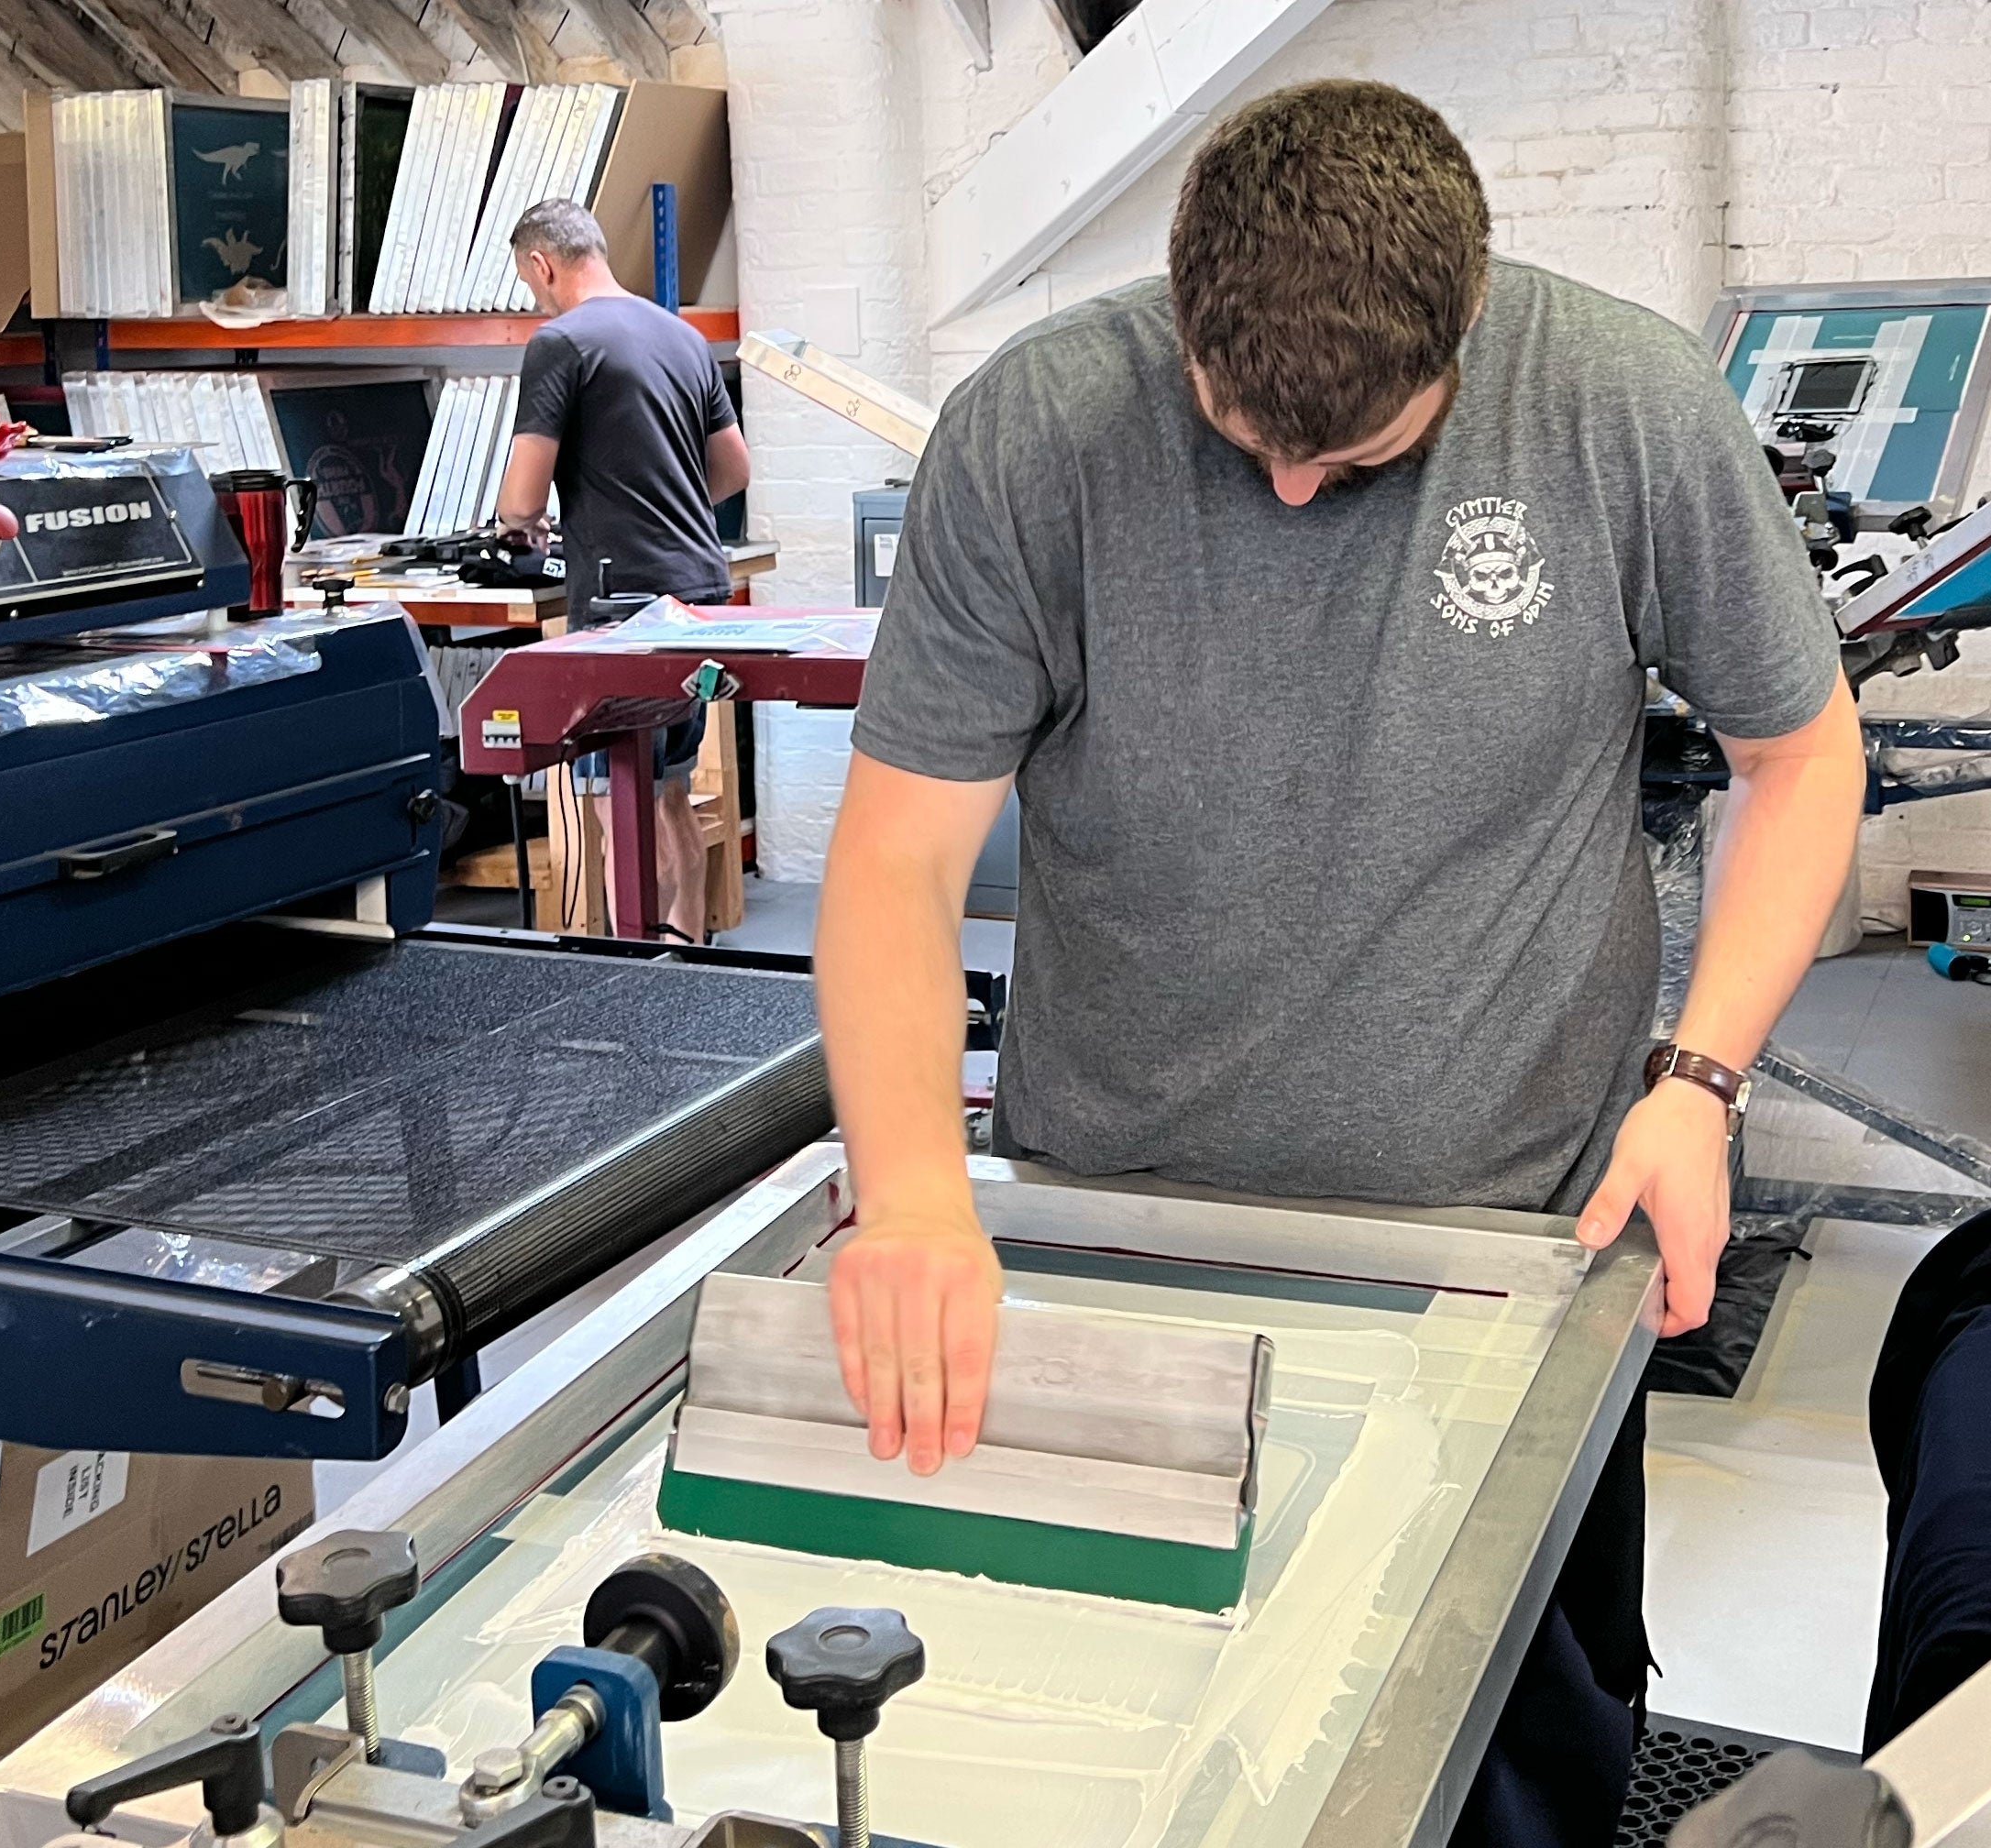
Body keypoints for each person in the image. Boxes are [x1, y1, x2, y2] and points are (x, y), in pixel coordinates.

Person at [814, 80, 1866, 1846]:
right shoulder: (1036, 432)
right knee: (1133, 1754)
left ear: (1464, 325)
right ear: (1178, 309)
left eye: (1356, 458)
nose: (1293, 490)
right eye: (1243, 440)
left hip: (1510, 1250)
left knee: (1510, 1767)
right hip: (1120, 1235)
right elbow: (894, 856)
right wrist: (917, 1195)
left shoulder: (1617, 406)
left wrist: (1695, 1087)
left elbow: (1801, 755)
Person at [496, 198, 752, 940]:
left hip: (619, 604)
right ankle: (685, 951)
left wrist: (525, 524)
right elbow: (732, 468)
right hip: (698, 588)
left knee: (617, 803)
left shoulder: (561, 343)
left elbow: (520, 496)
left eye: (528, 279)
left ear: (542, 266)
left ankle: (637, 973)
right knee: (671, 792)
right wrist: (665, 501)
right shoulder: (682, 336)